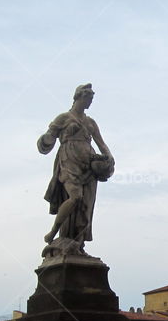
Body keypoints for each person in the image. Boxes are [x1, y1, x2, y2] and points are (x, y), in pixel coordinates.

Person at [38, 83, 115, 255]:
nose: (90, 102)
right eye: (89, 98)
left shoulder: (90, 122)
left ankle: (78, 245)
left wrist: (109, 158)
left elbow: (101, 143)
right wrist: (47, 140)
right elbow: (48, 139)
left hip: (88, 165)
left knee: (85, 206)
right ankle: (53, 233)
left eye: (92, 99)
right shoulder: (63, 118)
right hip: (68, 160)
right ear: (79, 96)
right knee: (75, 196)